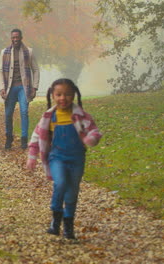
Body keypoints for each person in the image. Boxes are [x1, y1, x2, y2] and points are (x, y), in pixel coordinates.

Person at [26, 78, 102, 239]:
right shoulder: (48, 116)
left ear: (74, 94)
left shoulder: (81, 116)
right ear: (52, 95)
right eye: (59, 94)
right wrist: (32, 157)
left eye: (67, 94)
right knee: (60, 183)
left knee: (72, 192)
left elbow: (94, 131)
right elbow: (36, 137)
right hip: (57, 157)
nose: (63, 98)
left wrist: (91, 139)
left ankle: (68, 225)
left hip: (77, 159)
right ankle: (56, 219)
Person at [0, 28, 40, 149]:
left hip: (23, 88)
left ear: (21, 38)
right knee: (8, 114)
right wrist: (1, 88)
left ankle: (24, 139)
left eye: (17, 37)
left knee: (24, 112)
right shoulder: (4, 52)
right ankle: (9, 138)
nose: (15, 39)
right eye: (13, 38)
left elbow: (35, 70)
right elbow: (0, 71)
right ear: (11, 39)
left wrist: (35, 87)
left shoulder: (29, 52)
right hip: (9, 88)